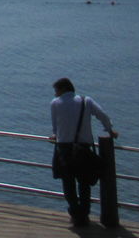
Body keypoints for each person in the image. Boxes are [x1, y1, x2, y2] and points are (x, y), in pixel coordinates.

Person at [50, 77, 117, 228]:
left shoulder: (55, 104)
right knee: (84, 183)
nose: (55, 94)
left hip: (64, 148)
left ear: (62, 89)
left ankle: (75, 214)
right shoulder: (86, 101)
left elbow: (55, 128)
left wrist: (56, 135)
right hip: (83, 148)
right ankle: (84, 215)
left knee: (68, 184)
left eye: (56, 91)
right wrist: (110, 130)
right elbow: (102, 116)